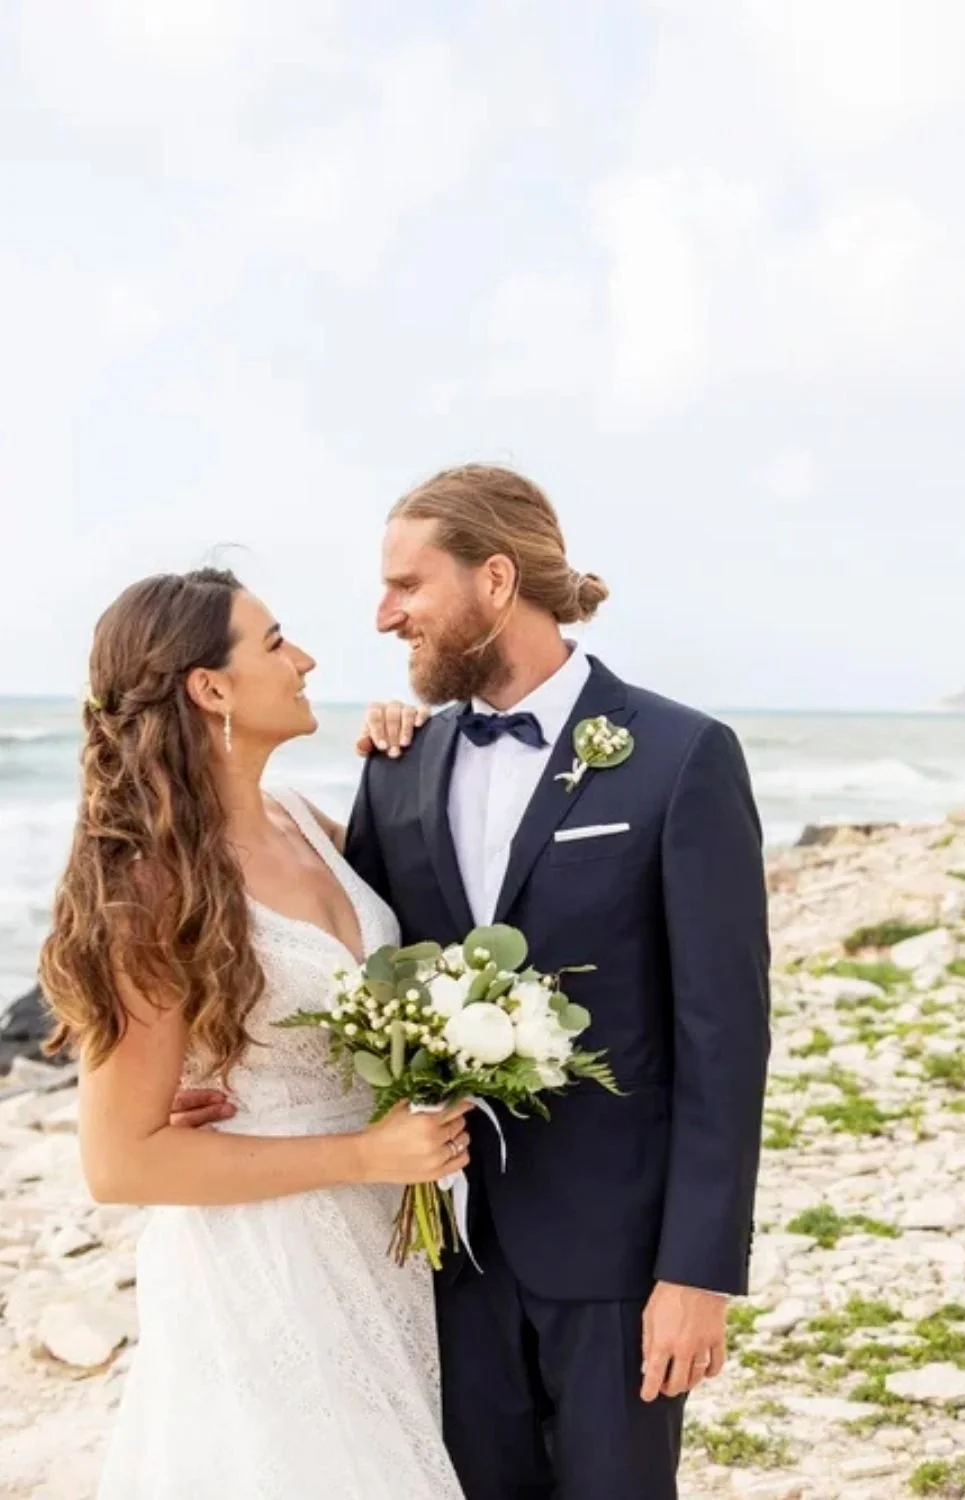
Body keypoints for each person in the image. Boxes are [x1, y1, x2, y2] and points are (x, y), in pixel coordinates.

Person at [184, 465, 773, 1499]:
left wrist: (698, 1274)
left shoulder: (681, 757)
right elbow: (344, 959)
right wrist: (214, 1066)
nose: (381, 615)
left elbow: (724, 1039)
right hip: (431, 1257)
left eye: (407, 586)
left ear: (495, 580)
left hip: (616, 1259)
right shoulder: (400, 763)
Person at [40, 568, 474, 1499]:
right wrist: (367, 1154)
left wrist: (403, 765)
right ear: (212, 688)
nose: (306, 659)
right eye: (277, 642)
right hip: (263, 1266)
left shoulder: (306, 824)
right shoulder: (150, 889)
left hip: (379, 1244)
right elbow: (120, 1166)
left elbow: (424, 930)